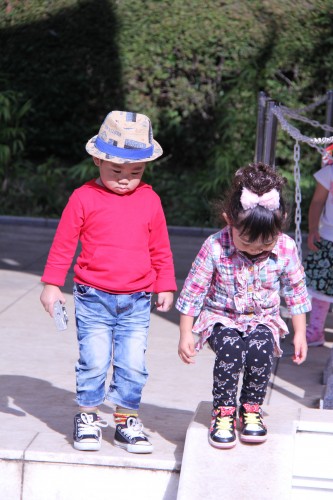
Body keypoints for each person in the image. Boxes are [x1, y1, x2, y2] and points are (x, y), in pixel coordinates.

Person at [40, 110, 176, 454]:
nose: (126, 178)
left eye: (136, 171)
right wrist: (52, 284)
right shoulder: (83, 198)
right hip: (92, 297)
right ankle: (87, 416)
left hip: (137, 299)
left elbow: (160, 246)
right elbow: (64, 244)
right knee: (94, 360)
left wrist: (165, 284)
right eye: (117, 170)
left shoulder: (150, 200)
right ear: (97, 160)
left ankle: (125, 420)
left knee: (133, 363)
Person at [176, 163, 311, 449]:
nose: (256, 249)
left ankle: (251, 408)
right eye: (247, 242)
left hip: (263, 318)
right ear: (229, 221)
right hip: (220, 317)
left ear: (281, 221)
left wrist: (300, 333)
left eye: (266, 242)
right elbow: (193, 292)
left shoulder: (286, 248)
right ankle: (223, 412)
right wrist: (185, 333)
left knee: (260, 350)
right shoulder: (214, 246)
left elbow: (296, 293)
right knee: (230, 349)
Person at [303, 144, 333, 347]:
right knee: (320, 289)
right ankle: (315, 330)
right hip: (328, 236)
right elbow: (317, 202)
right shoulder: (329, 173)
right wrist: (313, 228)